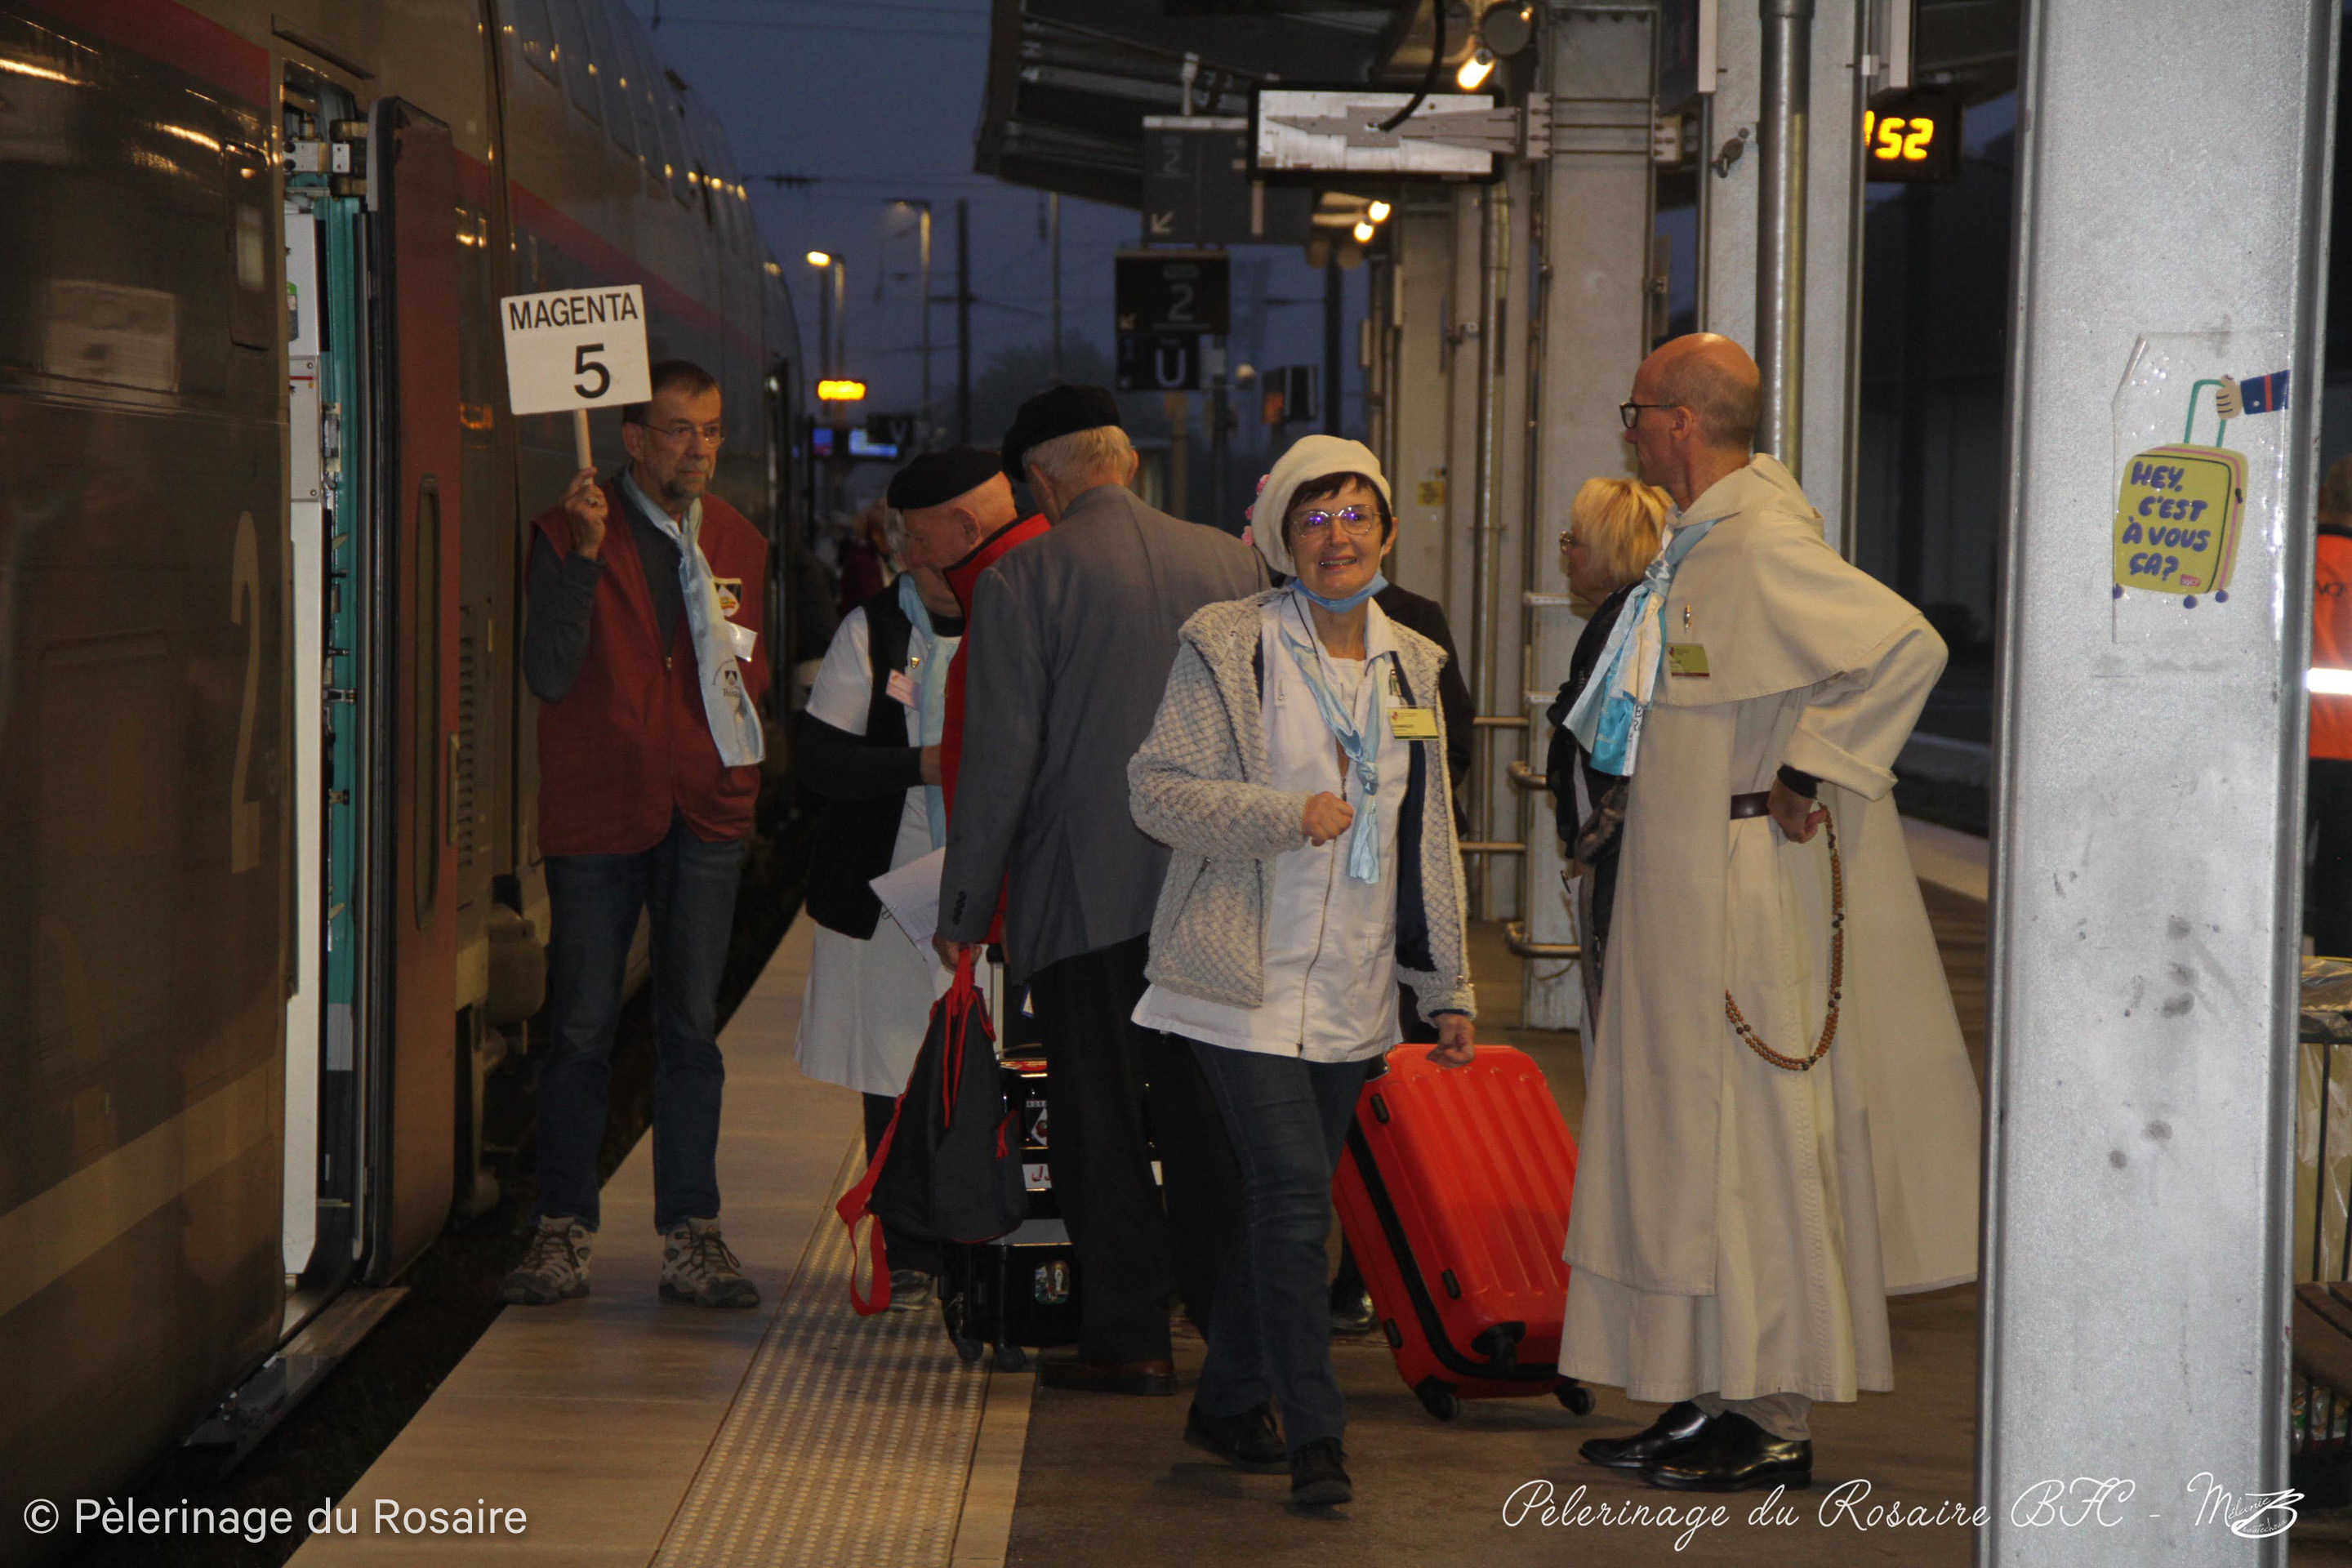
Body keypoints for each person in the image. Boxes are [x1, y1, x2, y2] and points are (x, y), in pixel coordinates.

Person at [1560, 333, 1980, 1490]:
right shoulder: (1701, 543)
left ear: (1682, 422)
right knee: (1682, 1148)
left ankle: (1774, 1414)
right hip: (1680, 885)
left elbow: (1908, 646)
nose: (1631, 433)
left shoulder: (1758, 544)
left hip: (1739, 893)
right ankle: (1707, 1390)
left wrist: (1808, 767)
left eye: (1637, 412)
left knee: (1750, 1149)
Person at [1128, 435, 1477, 1507]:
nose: (1338, 537)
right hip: (1239, 979)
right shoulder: (1229, 644)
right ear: (1282, 540)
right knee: (1290, 1197)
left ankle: (1228, 1401)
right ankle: (1316, 1434)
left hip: (1354, 989)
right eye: (1314, 519)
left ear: (1388, 531)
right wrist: (1285, 815)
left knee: (1285, 1209)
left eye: (1356, 515)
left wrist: (1446, 986)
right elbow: (1155, 791)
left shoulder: (1416, 664)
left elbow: (1430, 834)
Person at [937, 385, 1265, 1396]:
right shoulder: (1234, 564)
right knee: (1208, 1120)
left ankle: (1129, 1334)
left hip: (1087, 898)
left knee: (1100, 1118)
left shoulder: (1024, 577)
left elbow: (1001, 761)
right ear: (1124, 460)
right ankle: (1231, 1327)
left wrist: (964, 911)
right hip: (1213, 890)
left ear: (1043, 482)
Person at [506, 359, 769, 1310]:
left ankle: (692, 1234)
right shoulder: (567, 531)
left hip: (704, 812)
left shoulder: (737, 541)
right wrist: (584, 557)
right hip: (600, 815)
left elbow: (750, 676)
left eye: (712, 429)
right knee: (581, 1029)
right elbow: (548, 671)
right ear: (632, 441)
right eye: (678, 430)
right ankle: (562, 1230)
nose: (699, 449)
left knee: (691, 1029)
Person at [793, 493, 969, 1312]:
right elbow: (822, 761)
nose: (931, 564)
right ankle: (908, 1250)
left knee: (978, 1073)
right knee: (894, 1071)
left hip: (989, 882)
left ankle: (974, 1238)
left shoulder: (1010, 618)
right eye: (915, 546)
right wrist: (921, 766)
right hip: (891, 887)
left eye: (947, 547)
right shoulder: (871, 630)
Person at [1544, 477, 1670, 1035]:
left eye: (1574, 541)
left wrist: (1592, 844)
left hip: (1623, 863)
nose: (1566, 553)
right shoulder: (1622, 623)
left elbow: (1624, 762)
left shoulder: (1633, 632)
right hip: (1619, 858)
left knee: (1619, 1020)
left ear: (1610, 550)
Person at [886, 447, 1050, 817]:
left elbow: (1003, 763)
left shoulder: (1012, 596)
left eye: (921, 539)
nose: (917, 557)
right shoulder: (1037, 575)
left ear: (967, 525)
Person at [2310, 454, 2352, 956]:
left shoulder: (2293, 561)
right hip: (2350, 756)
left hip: (2291, 751)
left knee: (2268, 879)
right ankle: (2338, 995)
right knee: (2342, 893)